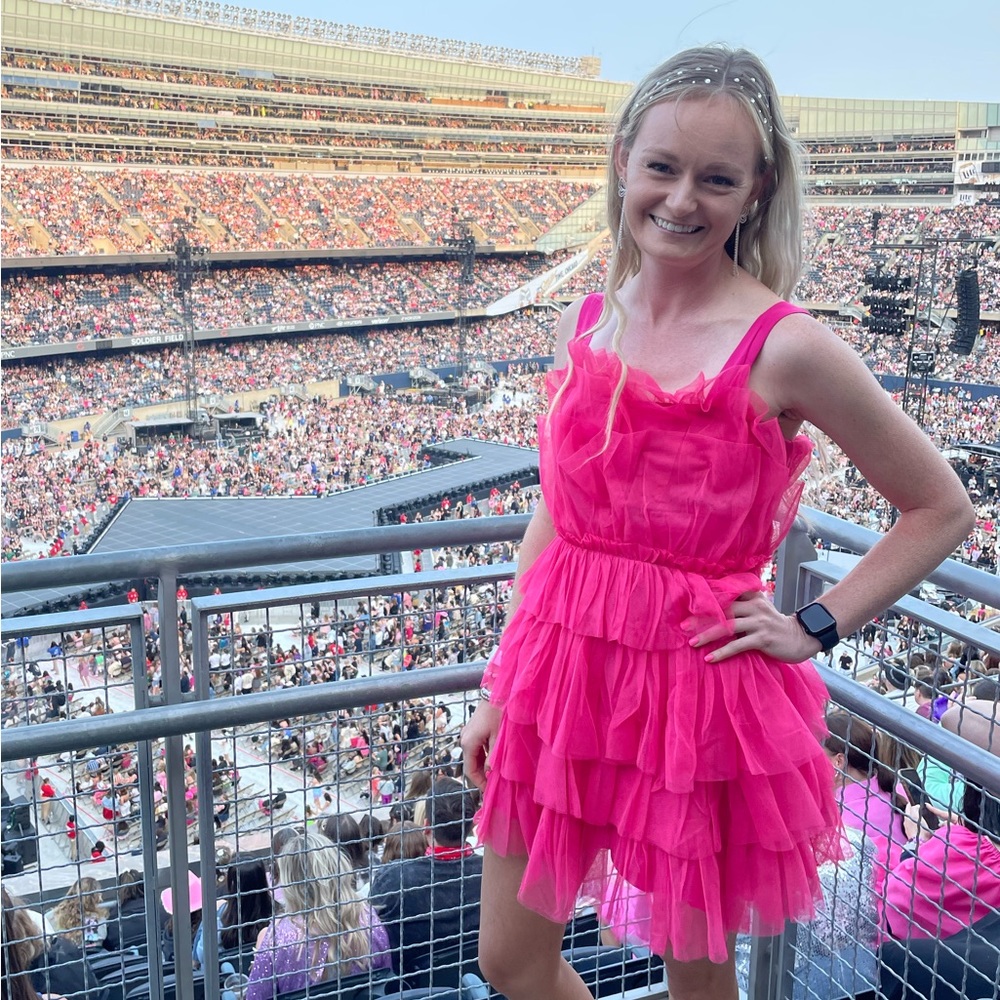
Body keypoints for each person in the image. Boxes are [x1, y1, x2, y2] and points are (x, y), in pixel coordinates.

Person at [459, 44, 975, 1000]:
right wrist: (501, 685)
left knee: (696, 979)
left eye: (716, 178)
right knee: (508, 957)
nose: (682, 199)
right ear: (623, 161)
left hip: (698, 690)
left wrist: (813, 626)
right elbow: (558, 519)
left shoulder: (787, 344)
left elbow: (941, 506)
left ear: (756, 190)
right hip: (559, 677)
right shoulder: (590, 319)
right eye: (662, 167)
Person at [245, 833, 391, 1000]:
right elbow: (386, 981)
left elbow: (255, 996)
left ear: (291, 882)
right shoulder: (367, 917)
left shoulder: (278, 937)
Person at [369, 776, 483, 987]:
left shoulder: (394, 880)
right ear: (470, 825)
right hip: (482, 983)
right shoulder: (491, 876)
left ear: (427, 826)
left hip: (415, 988)